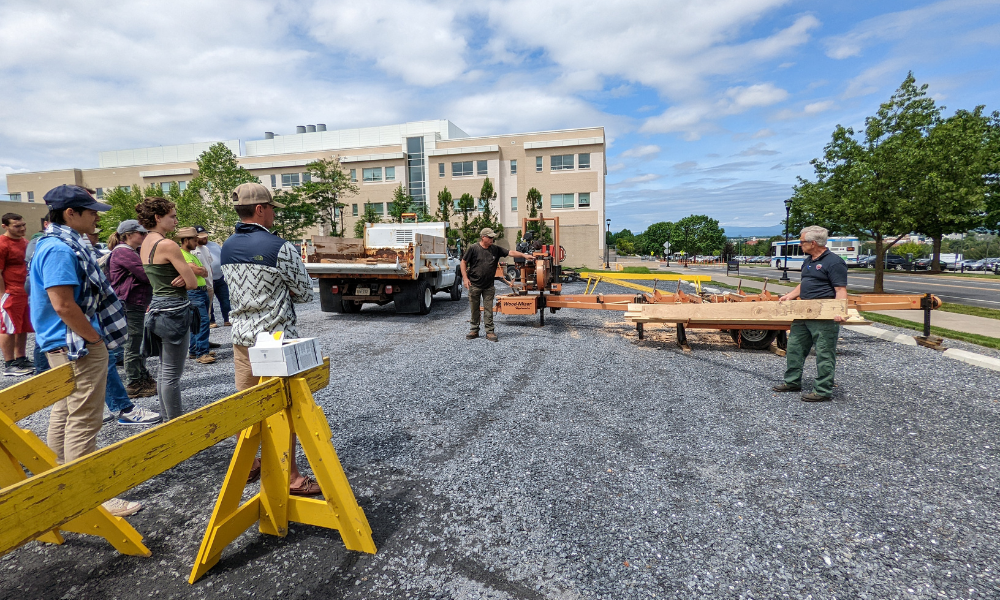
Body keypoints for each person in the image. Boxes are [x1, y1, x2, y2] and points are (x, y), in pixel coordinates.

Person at [30, 185, 140, 517]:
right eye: (90, 210)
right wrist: (94, 339)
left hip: (63, 344)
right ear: (70, 214)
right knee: (84, 419)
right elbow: (63, 305)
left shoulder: (54, 244)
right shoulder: (62, 250)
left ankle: (60, 485)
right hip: (76, 345)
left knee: (65, 414)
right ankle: (90, 498)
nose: (96, 216)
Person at [220, 182, 320, 496]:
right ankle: (291, 476)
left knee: (246, 404)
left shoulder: (226, 245)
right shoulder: (279, 247)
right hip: (275, 341)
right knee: (281, 407)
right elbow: (304, 292)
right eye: (272, 208)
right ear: (261, 209)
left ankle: (249, 464)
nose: (274, 213)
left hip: (241, 337)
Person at [137, 197, 199, 420]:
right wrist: (187, 273)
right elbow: (193, 282)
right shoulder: (167, 244)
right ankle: (175, 424)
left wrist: (184, 274)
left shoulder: (144, 243)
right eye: (172, 216)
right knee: (172, 374)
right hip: (175, 310)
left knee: (164, 371)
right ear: (157, 217)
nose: (176, 221)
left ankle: (166, 421)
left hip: (156, 308)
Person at [772, 225, 848, 402]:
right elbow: (806, 282)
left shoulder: (834, 262)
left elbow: (840, 289)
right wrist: (790, 295)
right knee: (795, 348)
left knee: (824, 352)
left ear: (813, 243)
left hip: (823, 315)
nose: (800, 245)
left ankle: (822, 390)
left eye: (802, 241)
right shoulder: (808, 260)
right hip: (803, 311)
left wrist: (839, 311)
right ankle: (792, 382)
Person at [108, 220, 157, 399]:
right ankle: (134, 383)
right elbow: (146, 274)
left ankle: (141, 378)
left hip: (134, 302)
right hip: (130, 303)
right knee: (133, 343)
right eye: (141, 233)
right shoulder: (123, 252)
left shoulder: (129, 251)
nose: (144, 236)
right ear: (128, 235)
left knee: (136, 342)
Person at [461, 228, 533, 342]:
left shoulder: (495, 249)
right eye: (490, 237)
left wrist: (524, 256)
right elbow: (463, 262)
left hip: (488, 285)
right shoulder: (473, 248)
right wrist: (465, 279)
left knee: (488, 309)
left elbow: (510, 252)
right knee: (474, 309)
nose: (492, 239)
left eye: (492, 237)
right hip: (474, 284)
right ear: (483, 237)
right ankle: (474, 330)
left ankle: (489, 332)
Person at [0, 213, 34, 376]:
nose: (22, 228)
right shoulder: (2, 244)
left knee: (22, 327)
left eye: (23, 225)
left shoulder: (25, 242)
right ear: (5, 226)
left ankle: (21, 358)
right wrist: (2, 294)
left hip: (24, 291)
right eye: (17, 226)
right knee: (8, 328)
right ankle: (9, 363)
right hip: (10, 292)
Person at [177, 227, 214, 364]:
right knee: (203, 321)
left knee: (196, 322)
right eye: (194, 239)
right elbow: (197, 270)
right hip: (194, 292)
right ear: (186, 240)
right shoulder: (182, 254)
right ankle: (202, 353)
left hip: (200, 290)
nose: (196, 242)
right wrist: (200, 270)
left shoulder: (191, 254)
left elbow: (203, 271)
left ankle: (194, 350)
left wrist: (201, 270)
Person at [203, 228, 230, 328]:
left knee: (225, 300)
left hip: (220, 277)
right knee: (209, 303)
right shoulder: (196, 248)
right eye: (202, 236)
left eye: (206, 235)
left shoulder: (214, 245)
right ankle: (211, 321)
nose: (205, 237)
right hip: (207, 280)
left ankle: (227, 319)